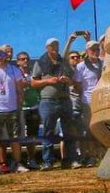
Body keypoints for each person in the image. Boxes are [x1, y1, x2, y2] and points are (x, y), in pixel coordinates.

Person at [31, 36, 79, 170]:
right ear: (47, 48)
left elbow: (72, 80)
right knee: (48, 132)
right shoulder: (40, 63)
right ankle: (48, 161)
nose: (55, 47)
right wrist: (48, 81)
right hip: (48, 101)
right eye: (52, 45)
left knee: (69, 131)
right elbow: (33, 82)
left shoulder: (63, 62)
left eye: (56, 45)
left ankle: (71, 160)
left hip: (65, 100)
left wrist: (67, 80)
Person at [0, 46, 28, 174]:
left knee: (14, 139)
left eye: (2, 54)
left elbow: (20, 90)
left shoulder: (14, 70)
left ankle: (17, 164)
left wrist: (19, 106)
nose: (0, 57)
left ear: (6, 56)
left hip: (12, 110)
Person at [15, 50, 40, 169]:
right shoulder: (14, 74)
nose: (25, 61)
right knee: (18, 135)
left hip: (34, 107)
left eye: (27, 59)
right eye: (22, 59)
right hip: (20, 108)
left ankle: (31, 159)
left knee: (32, 135)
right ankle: (18, 161)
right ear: (18, 62)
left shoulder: (33, 73)